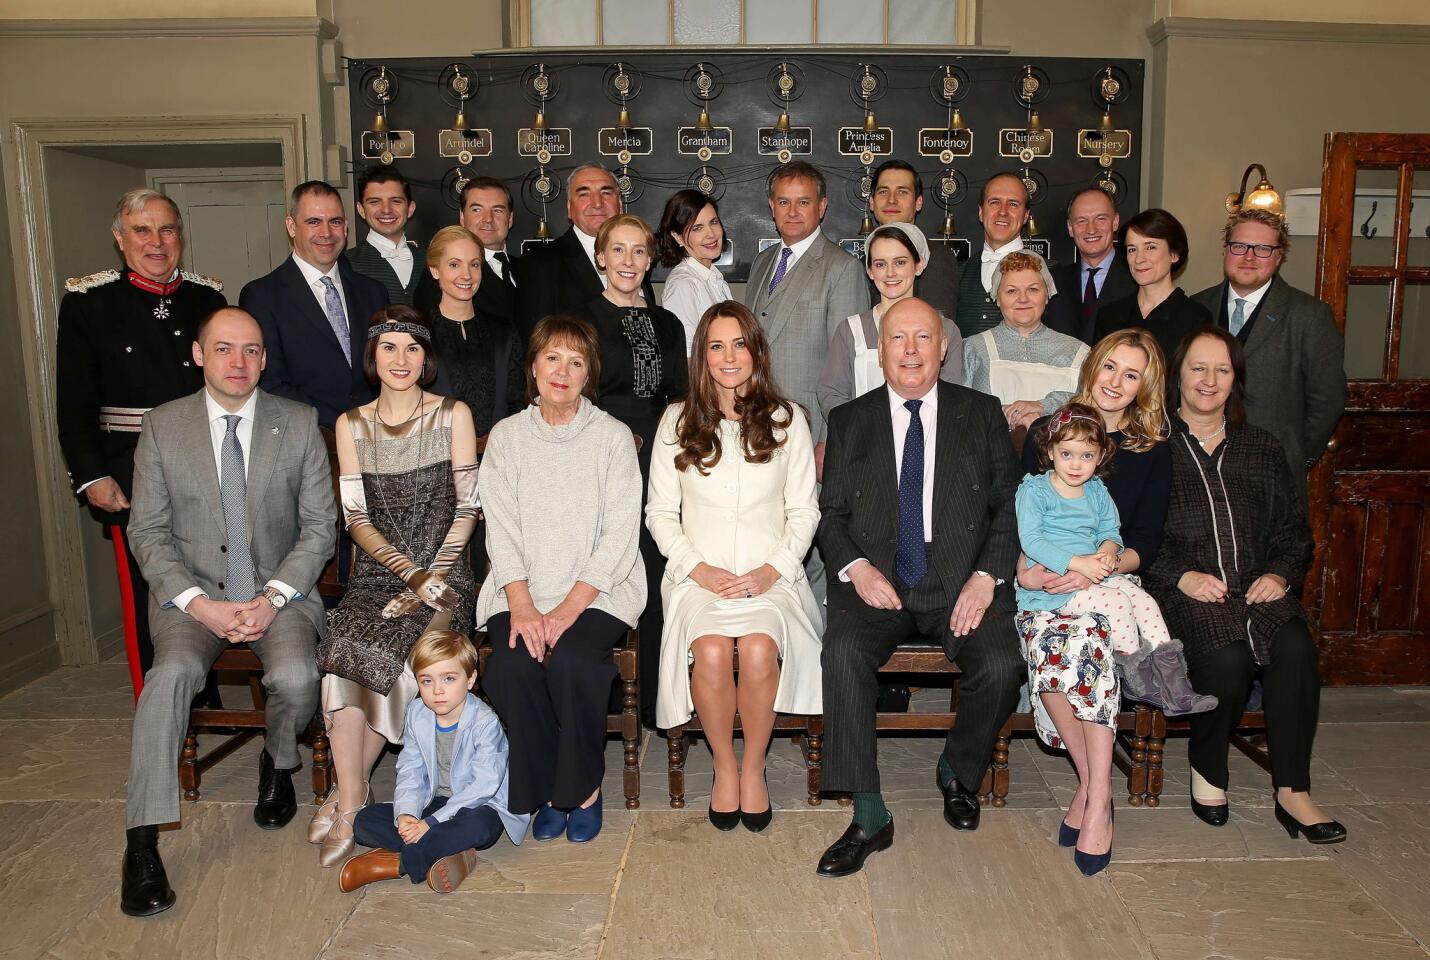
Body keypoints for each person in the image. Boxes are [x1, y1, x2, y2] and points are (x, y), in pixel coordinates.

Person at [120, 307, 337, 917]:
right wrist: (200, 604)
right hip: (191, 599)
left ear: (264, 359)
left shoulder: (296, 424)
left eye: (250, 350)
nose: (238, 363)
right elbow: (149, 532)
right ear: (198, 354)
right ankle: (141, 843)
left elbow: (321, 527)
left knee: (297, 678)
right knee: (169, 679)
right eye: (223, 349)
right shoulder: (164, 427)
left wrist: (271, 598)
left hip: (279, 594)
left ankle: (279, 758)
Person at [815, 297, 1024, 878]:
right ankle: (868, 812)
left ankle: (957, 769)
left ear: (943, 348)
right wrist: (857, 568)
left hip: (959, 581)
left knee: (1004, 663)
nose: (910, 350)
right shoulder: (849, 421)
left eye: (923, 338)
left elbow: (1008, 506)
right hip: (879, 581)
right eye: (898, 339)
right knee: (843, 651)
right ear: (880, 351)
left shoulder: (981, 413)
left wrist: (986, 578)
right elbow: (829, 516)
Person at [1146, 326, 1345, 845]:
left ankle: (1293, 790)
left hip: (1259, 589)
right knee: (1228, 659)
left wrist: (1279, 574)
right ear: (1177, 375)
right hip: (1184, 592)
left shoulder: (1261, 446)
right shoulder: (1152, 447)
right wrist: (1182, 576)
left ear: (1236, 379)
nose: (1209, 381)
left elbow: (1292, 531)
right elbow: (1132, 535)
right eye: (1198, 368)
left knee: (1297, 648)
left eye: (1222, 370)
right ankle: (1209, 768)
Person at [312, 306, 481, 868]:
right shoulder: (350, 424)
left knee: (401, 655)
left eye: (412, 348)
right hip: (379, 574)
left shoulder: (453, 415)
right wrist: (408, 575)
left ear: (426, 357)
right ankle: (353, 793)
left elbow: (468, 506)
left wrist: (432, 577)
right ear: (373, 356)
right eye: (389, 348)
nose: (401, 359)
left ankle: (347, 795)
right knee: (343, 651)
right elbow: (355, 519)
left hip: (448, 575)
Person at [646, 302, 823, 832]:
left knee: (761, 646)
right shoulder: (676, 422)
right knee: (714, 650)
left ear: (756, 351)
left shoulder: (788, 420)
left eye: (738, 344)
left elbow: (803, 512)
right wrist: (697, 569)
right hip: (698, 578)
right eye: (716, 346)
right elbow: (659, 513)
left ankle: (754, 768)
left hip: (771, 578)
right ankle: (724, 766)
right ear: (702, 355)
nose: (728, 357)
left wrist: (773, 570)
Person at [478, 314, 646, 845]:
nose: (562, 371)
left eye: (576, 362)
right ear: (533, 367)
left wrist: (567, 612)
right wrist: (525, 607)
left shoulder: (613, 438)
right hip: (520, 585)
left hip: (601, 589)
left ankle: (583, 790)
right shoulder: (506, 438)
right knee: (509, 664)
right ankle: (548, 788)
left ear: (588, 374)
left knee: (574, 659)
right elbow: (498, 530)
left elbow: (620, 536)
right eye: (552, 357)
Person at [1016, 329, 1174, 878]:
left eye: (1131, 374)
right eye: (1109, 367)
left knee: (1090, 650)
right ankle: (1096, 787)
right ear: (1092, 367)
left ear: (1144, 386)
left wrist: (1100, 568)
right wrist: (1036, 568)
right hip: (1044, 584)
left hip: (1109, 585)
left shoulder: (1151, 451)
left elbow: (1145, 538)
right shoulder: (1048, 430)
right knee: (1055, 655)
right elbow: (1019, 520)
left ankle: (1096, 797)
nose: (1115, 382)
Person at [56, 188, 226, 688]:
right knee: (146, 589)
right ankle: (159, 702)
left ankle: (204, 694)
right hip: (129, 471)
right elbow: (74, 401)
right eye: (142, 230)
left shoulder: (207, 299)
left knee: (208, 580)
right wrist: (91, 475)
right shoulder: (90, 304)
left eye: (167, 229)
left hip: (207, 465)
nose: (157, 242)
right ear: (119, 238)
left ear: (181, 236)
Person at [576, 213, 689, 726]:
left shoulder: (669, 323)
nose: (628, 261)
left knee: (657, 570)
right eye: (617, 250)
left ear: (651, 259)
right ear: (601, 257)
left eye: (639, 251)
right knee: (604, 568)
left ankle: (653, 700)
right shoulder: (581, 320)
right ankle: (596, 698)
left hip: (659, 458)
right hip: (599, 456)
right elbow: (573, 394)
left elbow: (681, 397)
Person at [338, 631, 529, 894]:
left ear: (471, 679)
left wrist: (431, 823)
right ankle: (448, 852)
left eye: (449, 679)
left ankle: (396, 864)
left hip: (479, 805)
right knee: (363, 821)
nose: (437, 690)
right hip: (435, 801)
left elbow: (484, 786)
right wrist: (407, 814)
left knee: (481, 828)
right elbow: (411, 771)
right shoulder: (417, 713)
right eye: (426, 681)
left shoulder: (484, 722)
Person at [1190, 209, 1347, 491]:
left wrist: (1295, 458)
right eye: (1239, 246)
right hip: (1199, 474)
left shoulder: (1310, 316)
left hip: (1274, 479)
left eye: (1263, 248)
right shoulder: (1196, 307)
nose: (1249, 257)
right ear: (1226, 250)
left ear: (1278, 256)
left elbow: (1327, 401)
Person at [746, 161, 871, 480]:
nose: (792, 211)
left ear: (822, 206)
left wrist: (830, 440)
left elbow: (848, 365)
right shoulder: (762, 263)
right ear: (772, 206)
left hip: (810, 431)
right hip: (756, 426)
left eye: (803, 202)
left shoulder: (842, 269)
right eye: (784, 202)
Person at [240, 180, 389, 429]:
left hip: (375, 436)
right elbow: (270, 382)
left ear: (346, 227)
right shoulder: (262, 296)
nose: (326, 233)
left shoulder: (373, 292)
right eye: (313, 222)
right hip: (306, 439)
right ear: (291, 226)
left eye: (335, 222)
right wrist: (343, 424)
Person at [818, 223, 964, 423]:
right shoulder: (850, 330)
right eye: (880, 264)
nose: (890, 273)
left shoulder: (945, 329)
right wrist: (857, 433)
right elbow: (831, 395)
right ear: (869, 271)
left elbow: (952, 397)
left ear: (919, 265)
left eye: (900, 262)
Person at [515, 163, 654, 343]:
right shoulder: (541, 263)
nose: (597, 203)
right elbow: (535, 342)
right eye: (584, 194)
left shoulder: (637, 257)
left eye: (606, 193)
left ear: (619, 204)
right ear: (569, 207)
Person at [963, 251, 1089, 432]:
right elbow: (960, 414)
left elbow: (1092, 408)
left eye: (1033, 289)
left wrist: (1045, 405)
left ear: (1047, 295)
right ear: (997, 298)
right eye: (1011, 291)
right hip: (989, 456)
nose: (1023, 299)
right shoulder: (974, 347)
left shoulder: (1079, 353)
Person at [424, 225, 524, 436]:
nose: (466, 275)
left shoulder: (504, 333)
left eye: (474, 265)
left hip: (498, 457)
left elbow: (516, 402)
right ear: (435, 269)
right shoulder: (418, 334)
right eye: (454, 265)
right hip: (437, 458)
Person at [1094, 208, 1213, 366]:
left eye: (1150, 247)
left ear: (1174, 254)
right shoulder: (1109, 315)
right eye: (1132, 249)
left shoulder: (1196, 319)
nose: (1139, 258)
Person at [954, 172, 1056, 340]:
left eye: (1013, 204)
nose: (1003, 212)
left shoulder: (1053, 273)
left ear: (1025, 216)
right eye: (994, 202)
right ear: (981, 212)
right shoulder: (957, 273)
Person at [417, 176, 521, 331]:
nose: (488, 219)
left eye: (497, 210)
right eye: (477, 210)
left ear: (510, 219)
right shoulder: (442, 274)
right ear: (462, 217)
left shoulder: (527, 268)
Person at [866, 159, 961, 319]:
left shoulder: (936, 257)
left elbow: (937, 328)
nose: (891, 200)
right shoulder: (865, 258)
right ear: (872, 203)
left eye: (902, 192)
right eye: (883, 191)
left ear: (918, 203)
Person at [1044, 187, 1135, 345]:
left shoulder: (1138, 277)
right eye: (1081, 221)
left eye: (1100, 219)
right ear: (1070, 228)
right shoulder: (1054, 280)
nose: (1091, 229)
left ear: (1115, 222)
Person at [657, 189, 732, 354]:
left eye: (714, 222)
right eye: (697, 228)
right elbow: (686, 356)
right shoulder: (683, 284)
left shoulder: (715, 279)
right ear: (678, 237)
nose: (711, 234)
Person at [347, 164, 422, 305]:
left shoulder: (431, 260)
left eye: (396, 201)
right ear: (361, 209)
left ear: (410, 208)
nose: (386, 210)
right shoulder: (346, 264)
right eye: (375, 202)